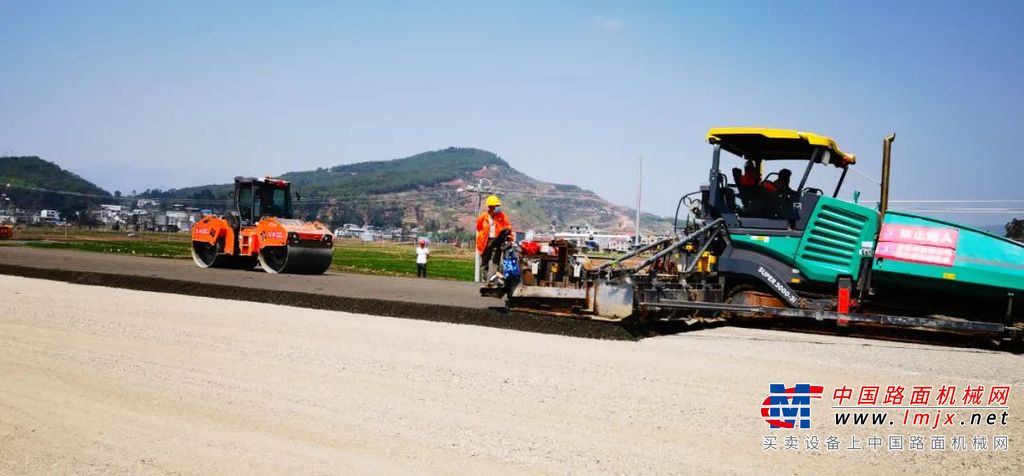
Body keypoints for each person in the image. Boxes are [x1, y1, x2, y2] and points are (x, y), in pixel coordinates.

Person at [476, 194, 512, 282]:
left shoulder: (502, 216)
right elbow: (479, 227)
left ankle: (492, 279)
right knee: (485, 260)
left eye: (497, 206)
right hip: (485, 241)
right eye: (494, 206)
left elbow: (508, 227)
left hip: (497, 240)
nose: (496, 207)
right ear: (490, 206)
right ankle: (485, 277)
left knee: (495, 260)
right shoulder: (483, 217)